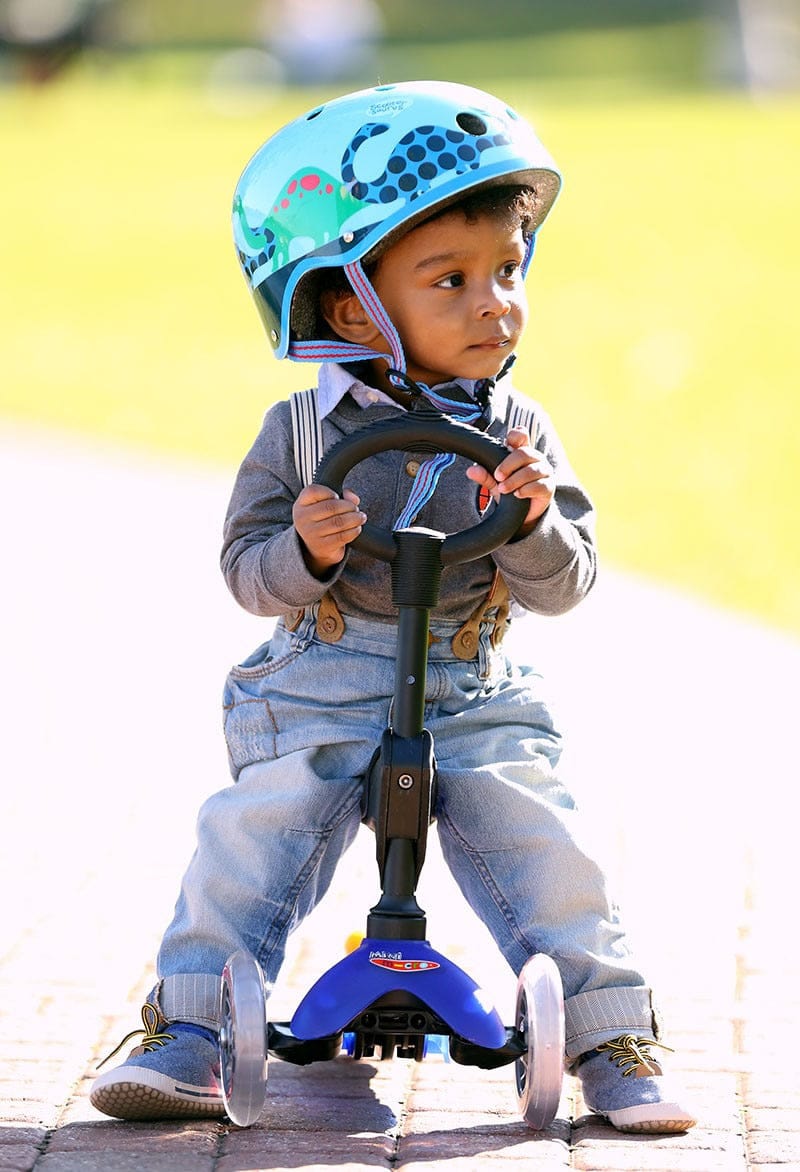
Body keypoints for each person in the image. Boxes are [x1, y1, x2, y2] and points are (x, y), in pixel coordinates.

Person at [90, 80, 696, 1134]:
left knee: (545, 842)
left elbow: (567, 584)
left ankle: (610, 1034)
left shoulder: (520, 430)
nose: (493, 303)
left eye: (507, 271)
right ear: (348, 307)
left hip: (472, 682)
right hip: (321, 680)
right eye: (450, 279)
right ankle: (185, 1027)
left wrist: (530, 523)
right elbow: (245, 571)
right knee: (252, 834)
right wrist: (305, 550)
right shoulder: (299, 432)